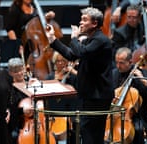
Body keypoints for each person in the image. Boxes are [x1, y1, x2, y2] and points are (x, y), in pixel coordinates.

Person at [46, 7, 114, 144]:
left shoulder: (101, 40)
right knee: (87, 133)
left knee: (90, 134)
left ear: (94, 23)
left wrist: (74, 38)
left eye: (84, 20)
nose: (80, 23)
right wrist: (53, 40)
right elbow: (72, 55)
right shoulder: (92, 39)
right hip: (89, 95)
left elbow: (80, 53)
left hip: (97, 96)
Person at [112, 47, 147, 144]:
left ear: (130, 62)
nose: (118, 66)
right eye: (116, 62)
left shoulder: (142, 73)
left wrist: (142, 79)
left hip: (137, 117)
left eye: (121, 63)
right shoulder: (114, 74)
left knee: (137, 130)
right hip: (116, 115)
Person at [7, 57, 33, 144]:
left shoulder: (31, 84)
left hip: (34, 121)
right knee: (14, 136)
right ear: (10, 73)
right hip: (18, 124)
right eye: (16, 71)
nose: (20, 73)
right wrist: (22, 111)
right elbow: (11, 110)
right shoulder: (9, 89)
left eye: (21, 69)